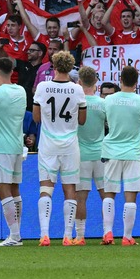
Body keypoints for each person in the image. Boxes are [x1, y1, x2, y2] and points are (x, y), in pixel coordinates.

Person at [32, 51, 86, 247]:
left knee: (46, 188)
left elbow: (36, 118)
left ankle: (44, 235)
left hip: (48, 145)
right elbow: (82, 120)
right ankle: (67, 236)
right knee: (70, 188)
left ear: (53, 66)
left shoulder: (43, 87)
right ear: (70, 67)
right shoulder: (77, 89)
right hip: (70, 145)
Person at [102, 65, 140, 246]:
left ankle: (107, 233)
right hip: (132, 152)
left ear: (120, 80)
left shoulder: (108, 100)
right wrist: (138, 129)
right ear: (137, 82)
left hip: (110, 150)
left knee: (109, 193)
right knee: (130, 195)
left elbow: (105, 119)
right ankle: (127, 237)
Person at [0, 56, 28, 246]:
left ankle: (15, 235)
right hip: (17, 146)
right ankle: (16, 233)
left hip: (1, 148)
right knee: (14, 189)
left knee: (2, 188)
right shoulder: (21, 90)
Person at [73, 65, 108, 246]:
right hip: (101, 153)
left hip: (82, 155)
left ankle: (80, 236)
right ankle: (107, 233)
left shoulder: (76, 103)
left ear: (79, 82)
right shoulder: (103, 103)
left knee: (81, 197)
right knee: (106, 195)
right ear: (96, 82)